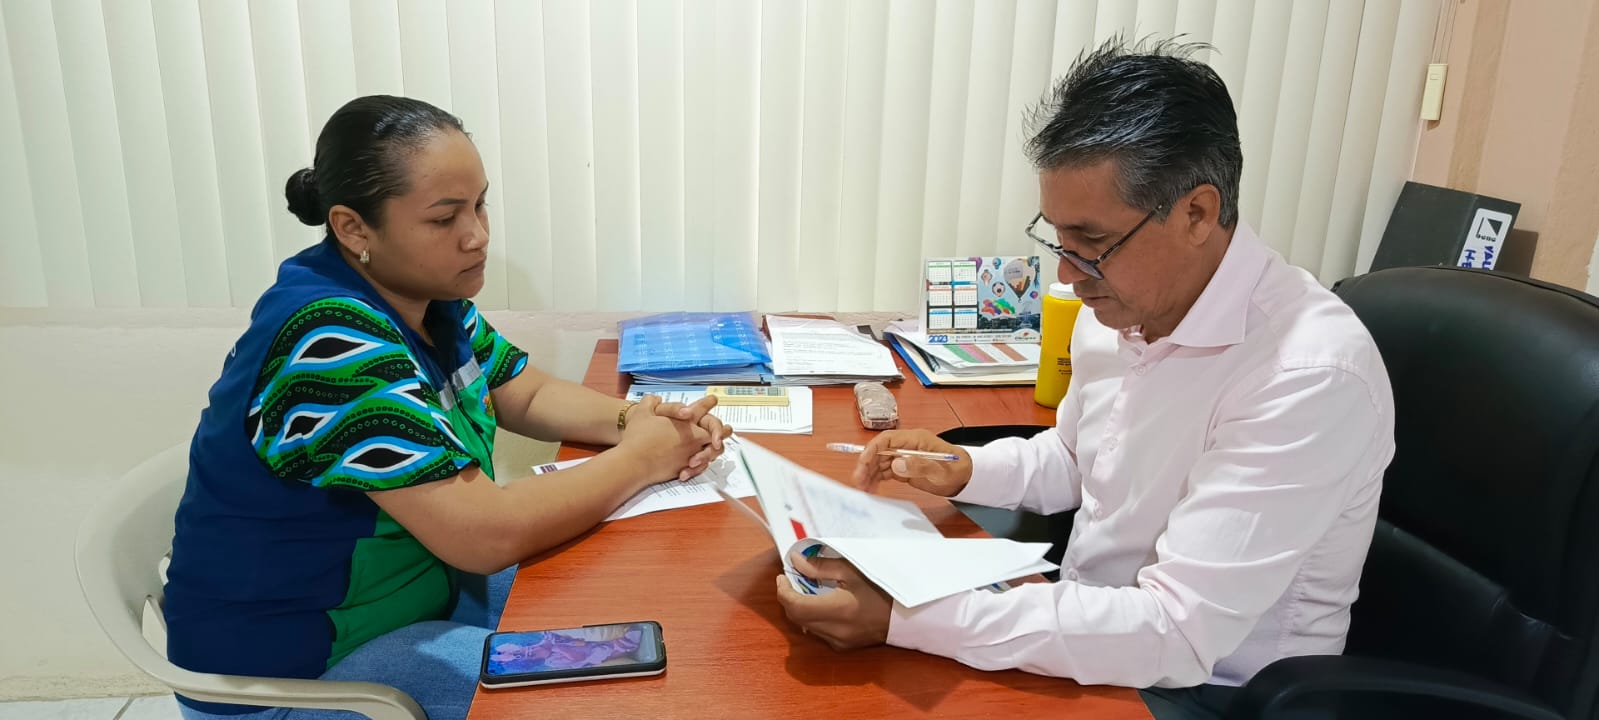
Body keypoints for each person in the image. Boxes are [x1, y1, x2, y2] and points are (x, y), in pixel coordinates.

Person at [773, 38, 1396, 720]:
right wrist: (965, 469)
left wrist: (909, 616)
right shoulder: (1119, 307)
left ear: (1196, 213)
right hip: (1095, 632)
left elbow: (1177, 631)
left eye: (1093, 243)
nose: (1068, 275)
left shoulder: (1308, 375)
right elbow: (1077, 458)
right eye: (1058, 240)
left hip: (1207, 691)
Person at [164, 95, 730, 720]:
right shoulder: (330, 341)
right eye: (444, 218)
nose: (477, 236)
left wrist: (635, 420)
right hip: (293, 675)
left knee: (621, 595)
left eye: (480, 205)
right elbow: (486, 534)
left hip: (413, 595)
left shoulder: (428, 296)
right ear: (354, 229)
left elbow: (525, 392)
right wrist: (642, 458)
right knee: (592, 696)